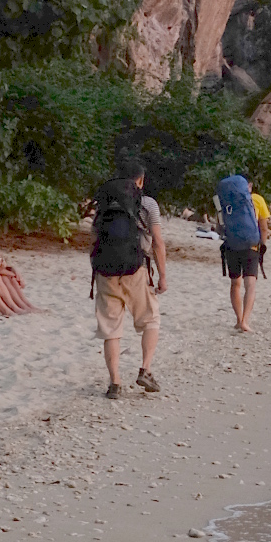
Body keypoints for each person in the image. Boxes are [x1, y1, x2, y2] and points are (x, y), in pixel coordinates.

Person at [89, 160, 164, 398]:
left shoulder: (104, 200)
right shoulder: (148, 203)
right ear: (140, 180)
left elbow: (94, 237)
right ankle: (145, 369)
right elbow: (158, 242)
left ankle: (115, 383)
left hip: (105, 271)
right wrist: (163, 276)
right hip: (135, 269)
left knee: (111, 329)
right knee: (150, 319)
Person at [215, 172, 263, 331]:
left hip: (231, 244)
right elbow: (263, 227)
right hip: (251, 244)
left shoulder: (222, 199)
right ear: (248, 186)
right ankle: (245, 320)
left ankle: (237, 319)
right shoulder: (257, 200)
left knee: (235, 283)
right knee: (250, 284)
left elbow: (219, 225)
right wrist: (262, 244)